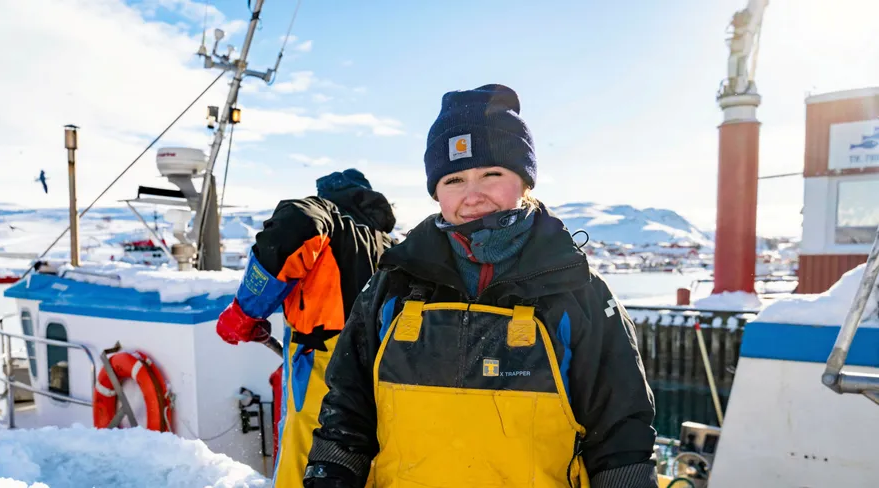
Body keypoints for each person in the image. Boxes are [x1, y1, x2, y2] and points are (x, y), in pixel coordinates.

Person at [303, 84, 657, 488]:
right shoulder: (394, 283)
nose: (472, 195)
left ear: (524, 183)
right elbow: (347, 408)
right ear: (436, 191)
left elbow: (621, 431)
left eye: (492, 174)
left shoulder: (578, 290)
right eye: (453, 179)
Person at [216, 168, 397, 488]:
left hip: (323, 361)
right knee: (358, 452)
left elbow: (296, 225)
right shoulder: (387, 244)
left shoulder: (326, 213)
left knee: (306, 448)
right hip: (382, 366)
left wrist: (245, 311)